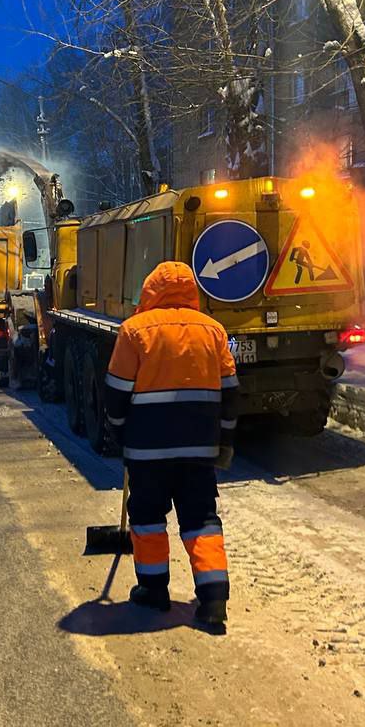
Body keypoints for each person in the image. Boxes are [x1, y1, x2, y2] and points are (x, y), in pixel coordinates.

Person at [104, 261, 239, 632]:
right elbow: (230, 393)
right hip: (199, 449)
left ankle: (153, 590)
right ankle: (213, 600)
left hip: (148, 450)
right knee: (201, 519)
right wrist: (224, 439)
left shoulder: (134, 331)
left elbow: (116, 392)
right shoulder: (213, 331)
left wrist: (119, 433)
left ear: (150, 291)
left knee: (147, 518)